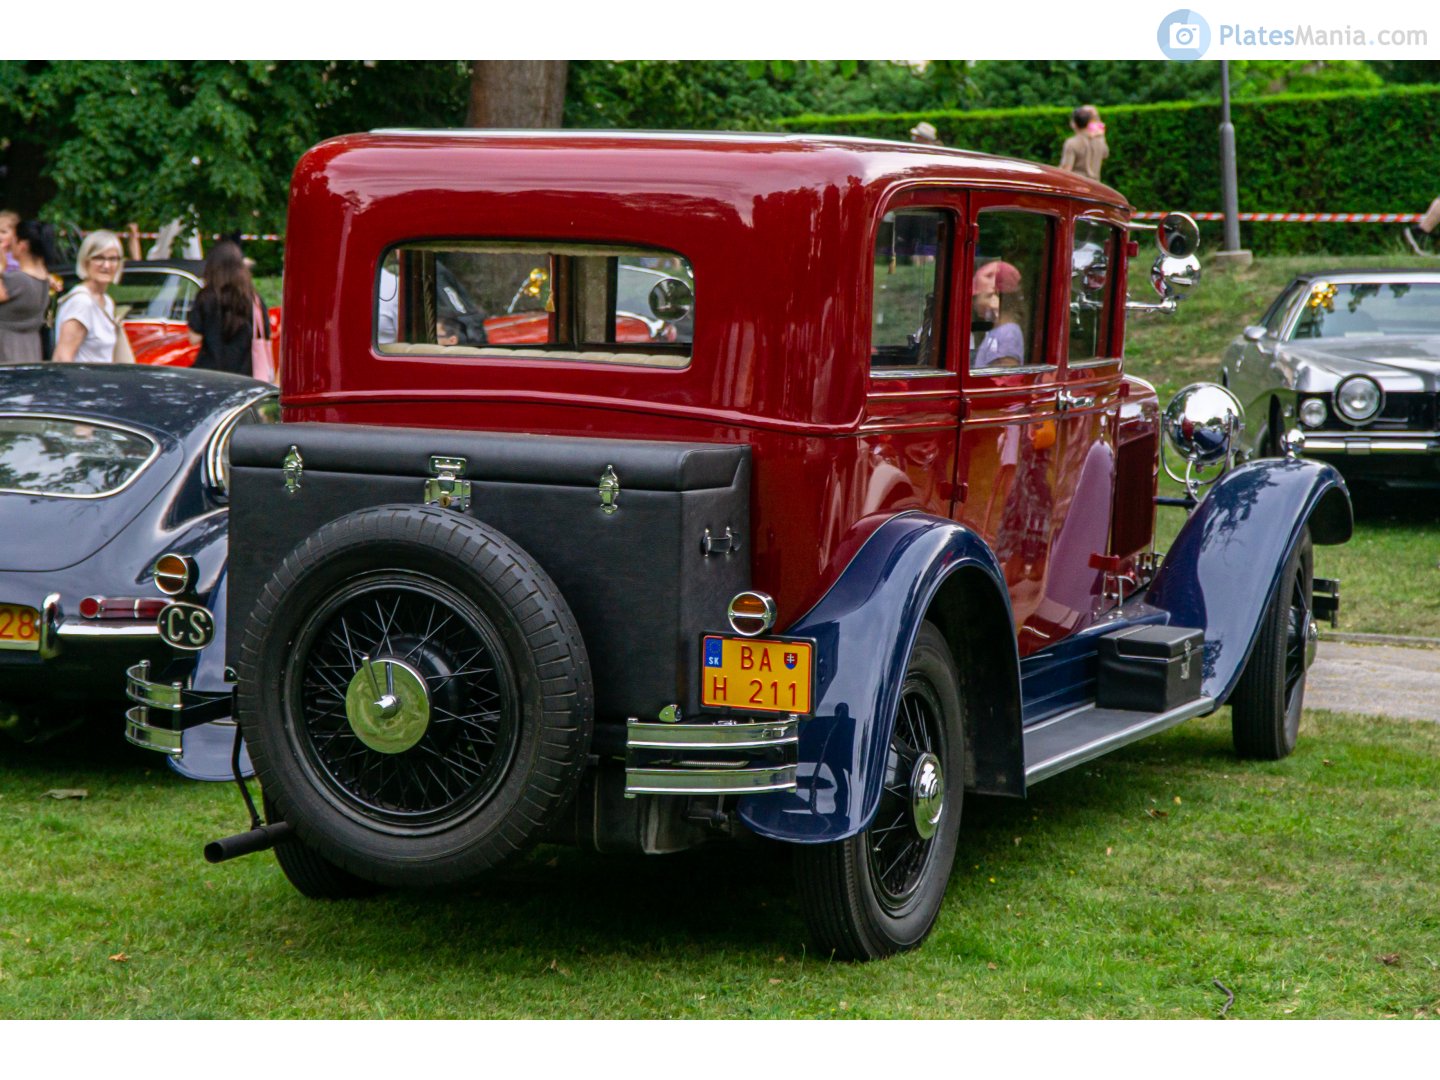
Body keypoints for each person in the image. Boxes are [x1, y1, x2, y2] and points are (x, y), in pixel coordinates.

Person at [186, 239, 273, 380]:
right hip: (247, 378)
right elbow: (265, 335)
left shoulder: (205, 296)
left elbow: (194, 338)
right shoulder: (254, 300)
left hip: (210, 376)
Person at [52, 229, 126, 363]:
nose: (106, 265)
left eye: (113, 259)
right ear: (86, 261)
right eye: (99, 258)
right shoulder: (81, 302)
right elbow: (62, 357)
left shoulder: (107, 301)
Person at [0, 220, 59, 363]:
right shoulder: (45, 280)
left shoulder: (16, 280)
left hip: (6, 361)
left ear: (23, 246)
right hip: (31, 358)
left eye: (13, 240)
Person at [971, 260, 1026, 368]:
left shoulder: (1007, 334)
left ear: (995, 295)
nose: (974, 303)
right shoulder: (999, 331)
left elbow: (1003, 381)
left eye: (976, 297)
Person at [1058, 104, 1109, 182]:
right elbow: (1105, 154)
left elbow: (1066, 171)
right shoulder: (1099, 140)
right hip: (1095, 187)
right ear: (1089, 122)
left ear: (1073, 124)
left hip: (1077, 186)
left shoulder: (1072, 143)